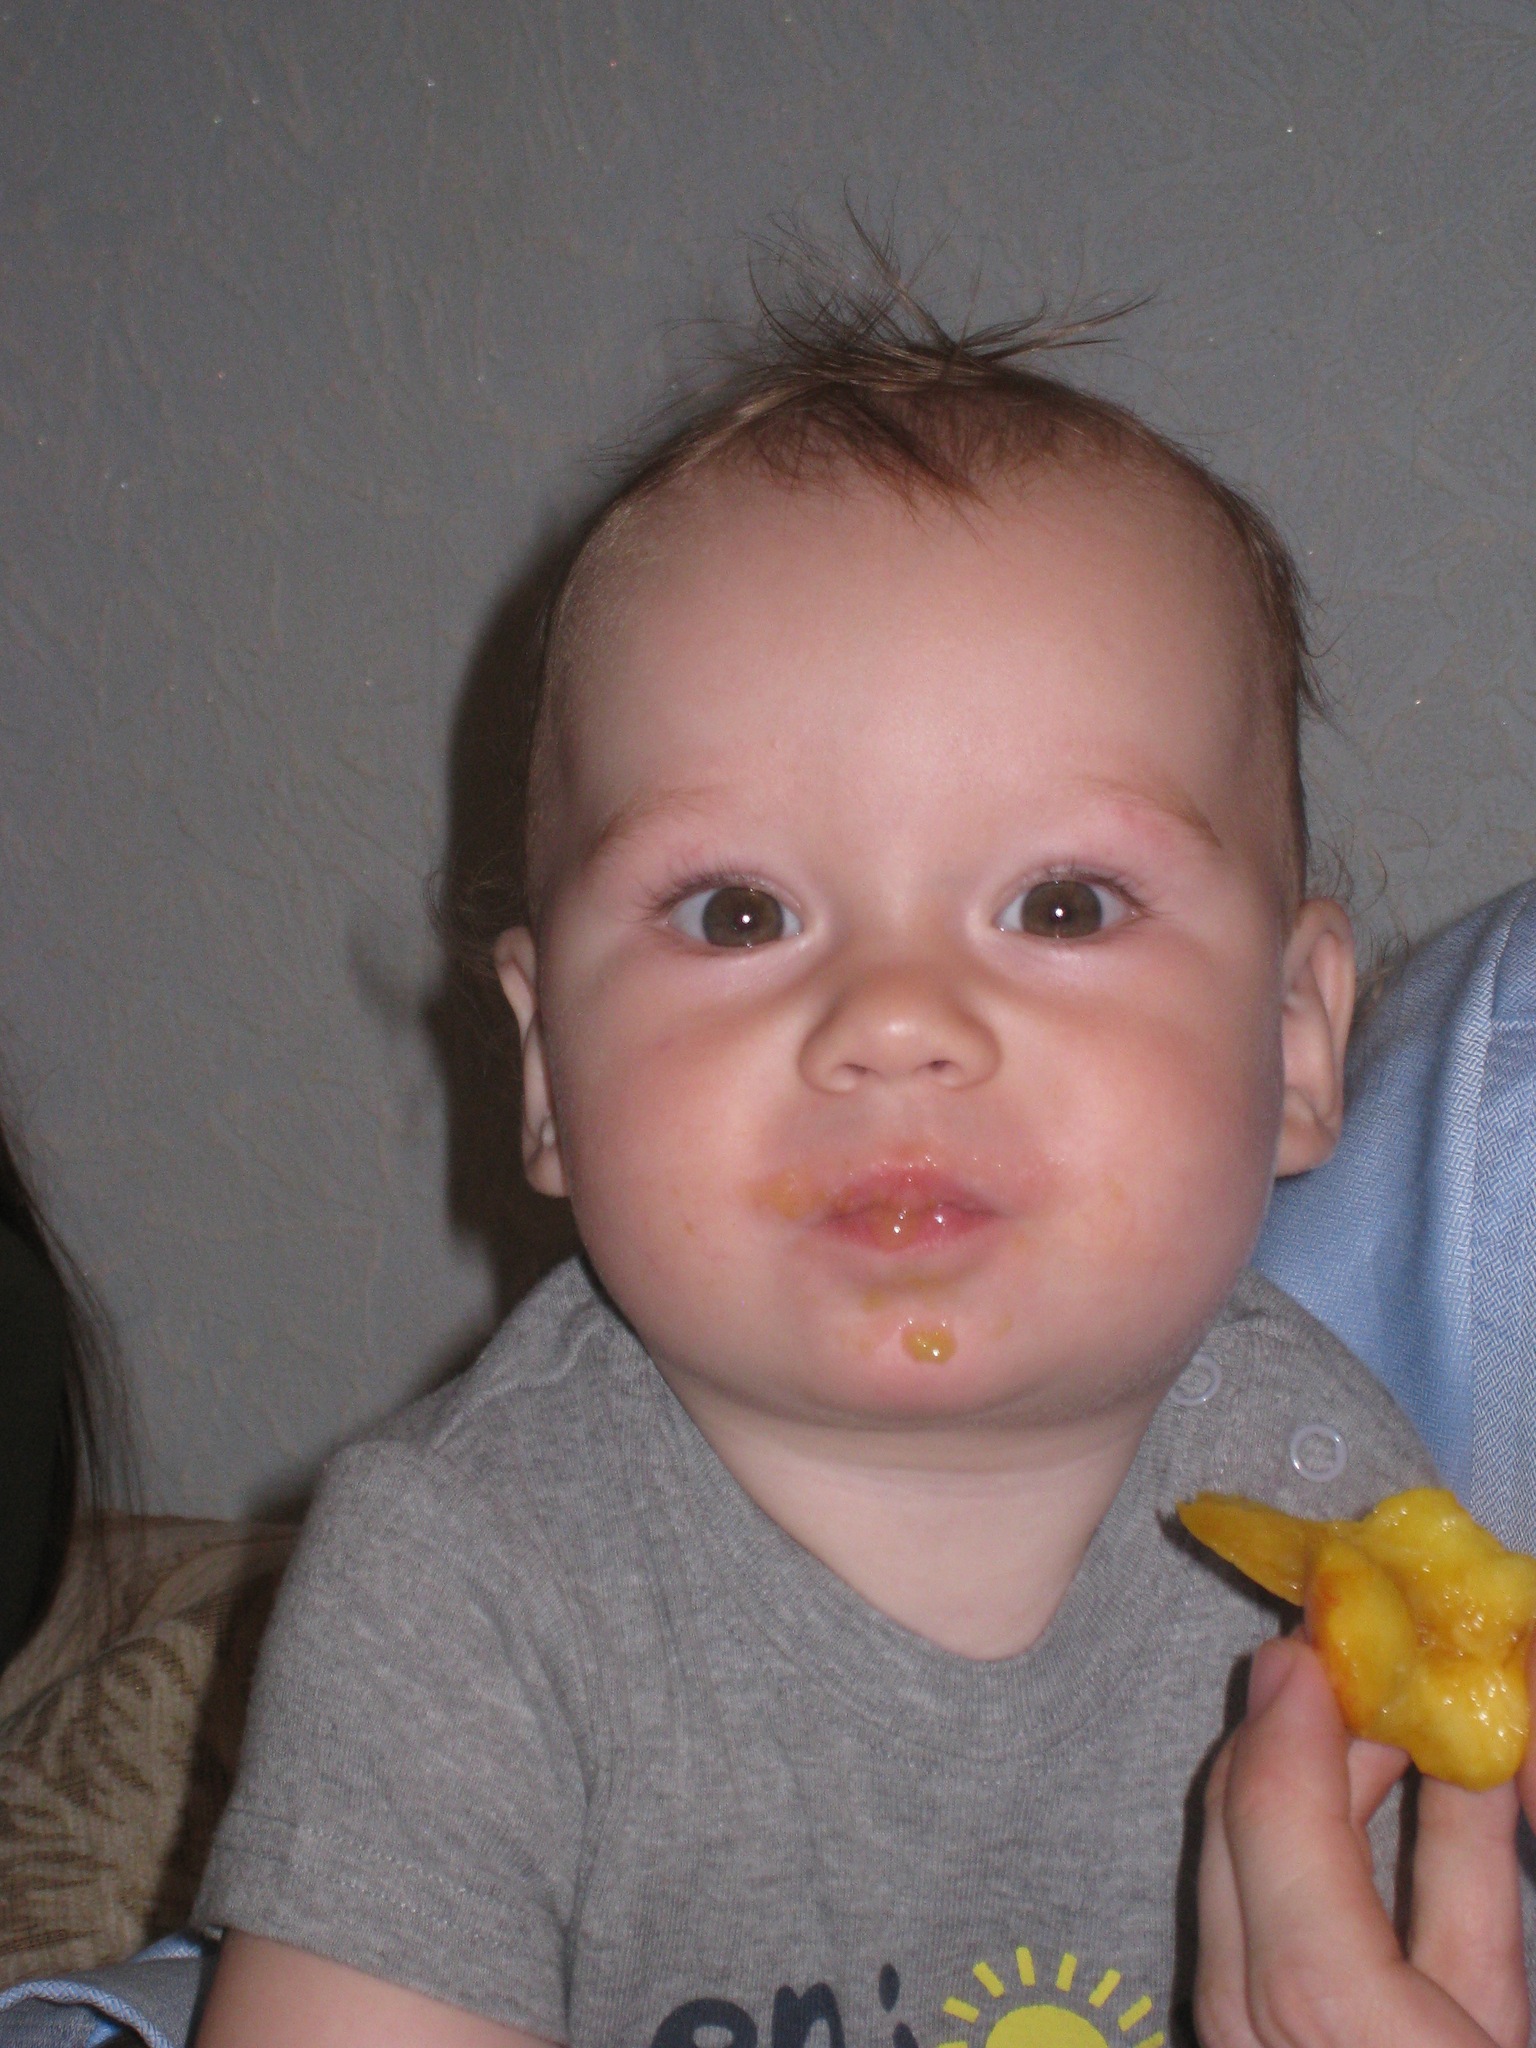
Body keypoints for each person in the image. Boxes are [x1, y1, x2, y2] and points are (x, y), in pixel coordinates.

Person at [191, 270, 1534, 2048]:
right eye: (737, 913)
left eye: (1063, 905)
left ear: (1293, 1042)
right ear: (546, 1074)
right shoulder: (461, 1579)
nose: (894, 1020)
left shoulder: (1340, 1512)